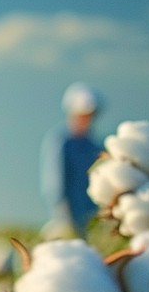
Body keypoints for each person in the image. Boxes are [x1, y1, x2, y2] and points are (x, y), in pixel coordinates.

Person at [40, 82, 104, 235]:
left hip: (92, 219)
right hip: (67, 218)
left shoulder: (94, 146)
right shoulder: (61, 141)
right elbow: (55, 182)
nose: (87, 119)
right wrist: (63, 211)